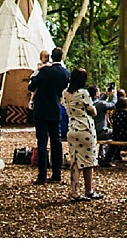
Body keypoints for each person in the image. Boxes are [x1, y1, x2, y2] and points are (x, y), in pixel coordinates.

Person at [26, 48, 70, 184]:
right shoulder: (65, 73)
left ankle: (42, 175)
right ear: (62, 57)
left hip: (42, 108)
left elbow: (31, 86)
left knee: (42, 142)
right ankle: (57, 173)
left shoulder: (45, 71)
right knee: (56, 142)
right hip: (55, 108)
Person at [63, 68, 101, 200]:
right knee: (88, 161)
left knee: (75, 161)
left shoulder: (65, 94)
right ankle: (89, 190)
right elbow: (93, 111)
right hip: (85, 129)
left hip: (72, 128)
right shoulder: (83, 93)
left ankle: (74, 191)